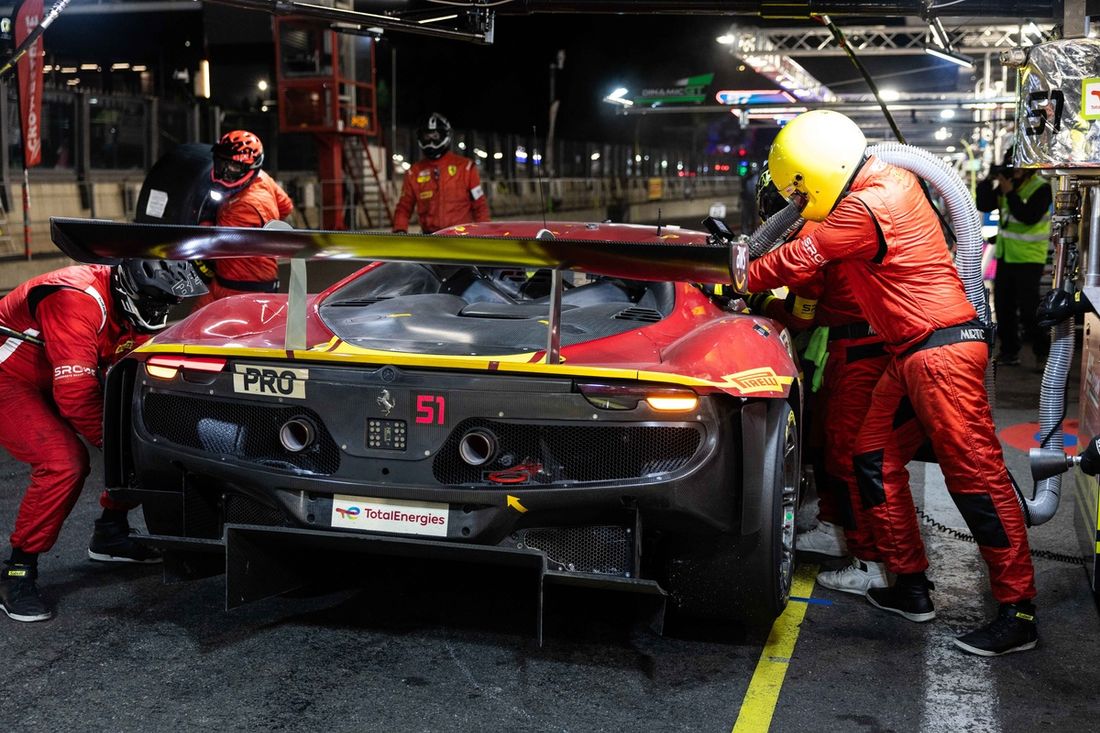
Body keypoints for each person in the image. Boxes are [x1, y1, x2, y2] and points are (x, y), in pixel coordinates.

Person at [749, 110, 1037, 656]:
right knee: (870, 455)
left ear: (812, 171)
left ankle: (1019, 611)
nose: (796, 201)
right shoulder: (886, 181)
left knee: (975, 479)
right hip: (910, 352)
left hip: (939, 352)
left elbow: (795, 258)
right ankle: (908, 586)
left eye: (797, 191)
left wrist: (734, 274)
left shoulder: (866, 204)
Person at [0, 259, 207, 622]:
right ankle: (17, 570)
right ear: (131, 289)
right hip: (9, 374)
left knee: (140, 435)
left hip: (52, 367)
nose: (162, 310)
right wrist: (119, 453)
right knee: (64, 462)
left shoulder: (128, 298)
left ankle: (111, 533)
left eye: (168, 302)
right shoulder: (74, 299)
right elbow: (76, 395)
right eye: (155, 301)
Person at [752, 168, 892, 595]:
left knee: (850, 456)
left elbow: (800, 314)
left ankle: (871, 562)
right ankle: (837, 530)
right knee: (834, 447)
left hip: (860, 348)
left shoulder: (811, 235)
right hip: (852, 345)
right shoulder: (828, 222)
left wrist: (756, 301)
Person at [192, 130, 294, 308]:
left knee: (205, 333)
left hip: (243, 289)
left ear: (250, 168)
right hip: (229, 282)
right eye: (222, 162)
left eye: (234, 167)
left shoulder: (245, 205)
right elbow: (286, 206)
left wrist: (206, 218)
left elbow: (214, 248)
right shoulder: (262, 178)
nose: (225, 172)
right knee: (192, 328)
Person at [975, 147, 1053, 369]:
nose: (1015, 170)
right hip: (1006, 256)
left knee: (1029, 310)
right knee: (1003, 307)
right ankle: (1009, 351)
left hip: (1029, 258)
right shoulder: (1007, 184)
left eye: (1019, 165)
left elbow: (1028, 217)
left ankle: (1042, 352)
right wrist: (988, 180)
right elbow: (984, 204)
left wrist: (1009, 192)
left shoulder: (1041, 187)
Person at [392, 113, 490, 234]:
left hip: (463, 237)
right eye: (426, 136)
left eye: (436, 135)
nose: (431, 141)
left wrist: (484, 233)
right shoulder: (414, 172)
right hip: (431, 239)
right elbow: (404, 207)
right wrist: (399, 230)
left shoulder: (466, 167)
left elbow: (479, 206)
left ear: (445, 136)